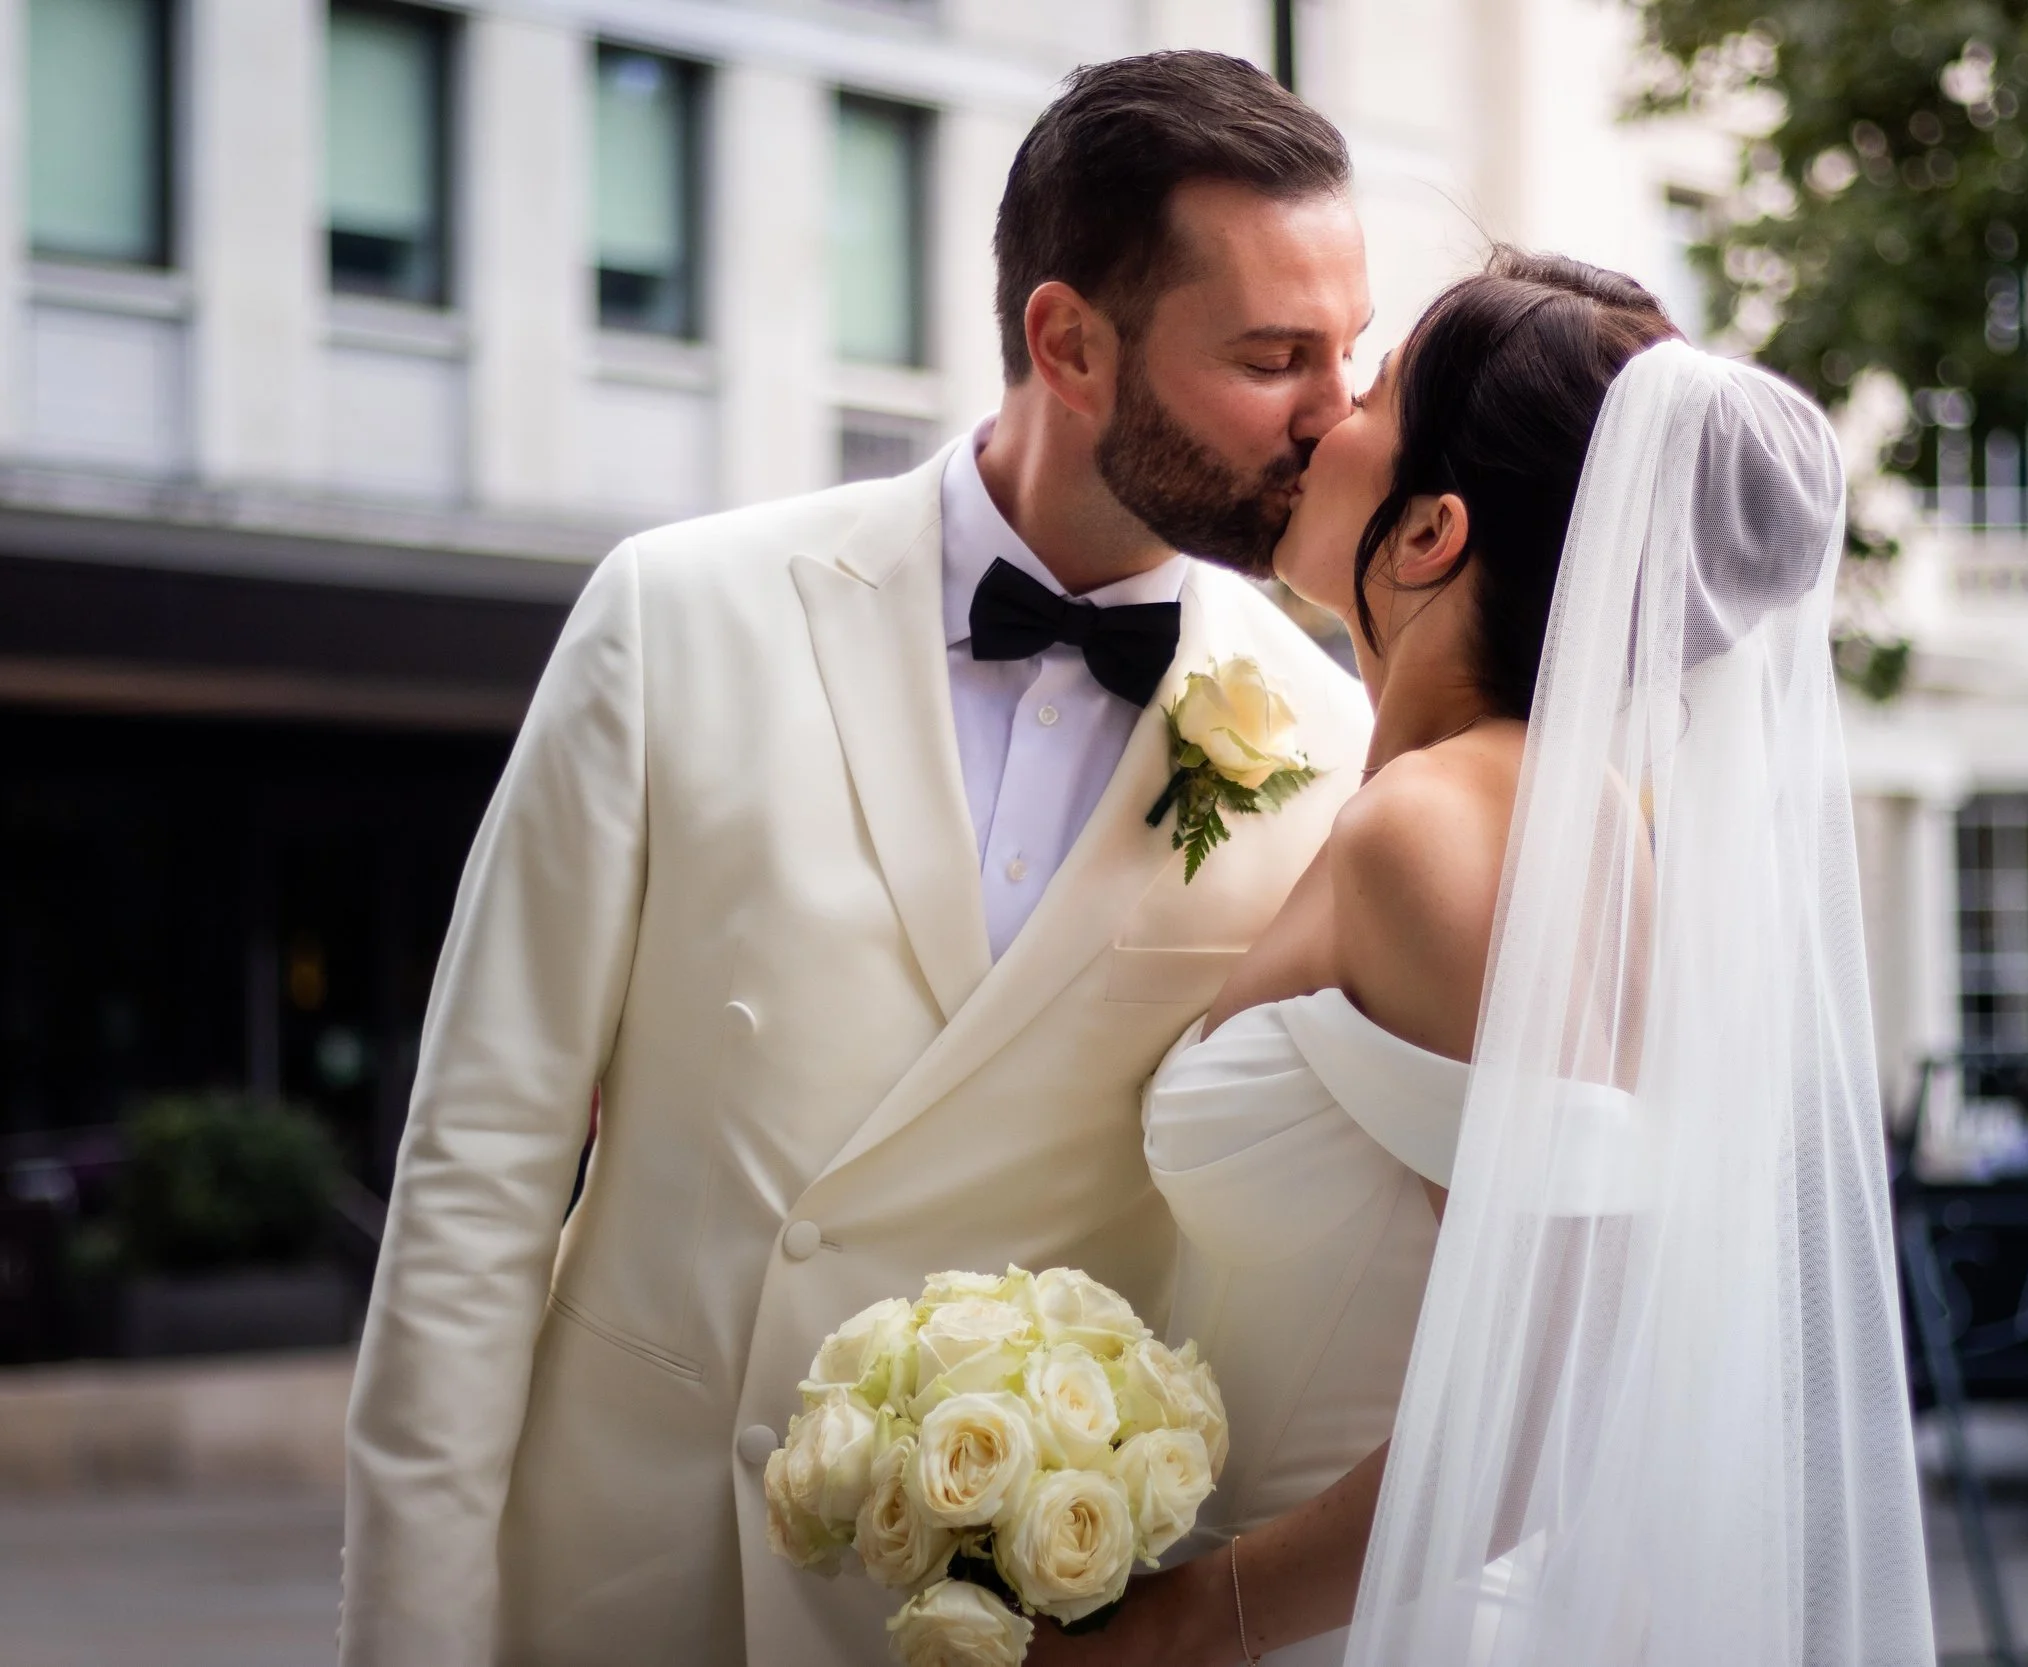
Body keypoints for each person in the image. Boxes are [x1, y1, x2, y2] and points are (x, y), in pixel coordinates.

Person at [338, 51, 1374, 1667]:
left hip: (1026, 1618)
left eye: (1350, 353)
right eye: (1273, 356)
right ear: (1067, 342)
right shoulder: (673, 615)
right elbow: (478, 1175)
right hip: (633, 1586)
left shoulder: (1320, 733)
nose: (1336, 416)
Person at [1047, 250, 1935, 1664]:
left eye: (1376, 390)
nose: (1325, 412)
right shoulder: (1510, 802)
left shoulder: (1447, 825)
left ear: (1429, 533)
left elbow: (1561, 1383)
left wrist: (1180, 1626)